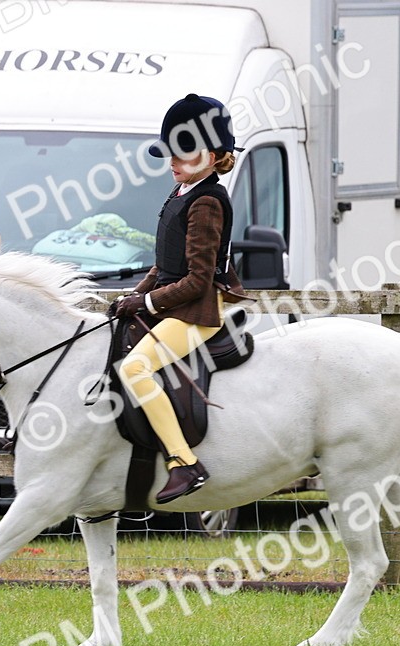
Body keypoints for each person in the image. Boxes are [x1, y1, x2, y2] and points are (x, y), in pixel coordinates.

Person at [112, 94, 249, 503]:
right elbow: (166, 265)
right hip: (179, 299)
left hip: (198, 310)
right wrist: (133, 296)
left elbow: (196, 279)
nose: (171, 161)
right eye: (169, 152)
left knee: (136, 368)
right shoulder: (181, 191)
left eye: (182, 153)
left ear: (210, 156)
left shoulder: (206, 201)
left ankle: (183, 462)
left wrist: (149, 304)